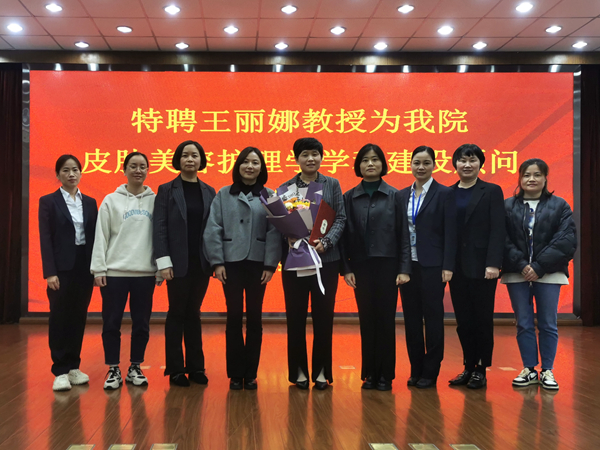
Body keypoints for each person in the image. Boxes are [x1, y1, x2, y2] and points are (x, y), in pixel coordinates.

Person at [204, 147, 281, 390]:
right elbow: (213, 228)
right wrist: (217, 262)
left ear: (262, 168)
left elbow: (275, 232)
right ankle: (236, 373)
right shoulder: (223, 194)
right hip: (231, 264)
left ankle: (251, 373)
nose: (250, 166)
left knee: (255, 317)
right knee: (234, 316)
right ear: (238, 166)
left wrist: (270, 264)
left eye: (255, 162)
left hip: (259, 265)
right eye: (245, 162)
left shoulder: (270, 195)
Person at [502, 158, 576, 391]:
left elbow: (566, 240)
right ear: (520, 178)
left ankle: (547, 370)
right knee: (523, 323)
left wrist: (538, 266)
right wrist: (522, 264)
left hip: (549, 272)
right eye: (526, 175)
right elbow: (502, 239)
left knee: (548, 323)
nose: (531, 179)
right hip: (517, 272)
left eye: (537, 175)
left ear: (545, 178)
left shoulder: (560, 205)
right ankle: (529, 369)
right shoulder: (507, 206)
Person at [341, 143, 411, 391]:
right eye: (365, 160)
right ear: (358, 166)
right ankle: (369, 373)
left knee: (385, 320)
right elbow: (343, 236)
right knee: (367, 320)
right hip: (360, 267)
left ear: (383, 164)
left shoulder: (395, 196)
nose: (370, 164)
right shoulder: (349, 197)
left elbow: (404, 234)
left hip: (388, 266)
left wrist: (404, 268)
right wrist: (346, 268)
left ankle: (386, 375)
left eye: (375, 159)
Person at [280, 137, 346, 390]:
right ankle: (298, 371)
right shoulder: (285, 188)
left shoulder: (332, 184)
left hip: (325, 261)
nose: (310, 159)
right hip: (296, 261)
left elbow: (340, 218)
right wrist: (289, 236)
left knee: (323, 317)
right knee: (295, 318)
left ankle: (321, 372)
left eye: (315, 154)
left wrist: (326, 242)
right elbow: (280, 223)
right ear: (296, 158)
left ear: (321, 157)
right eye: (305, 154)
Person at [91, 152, 157, 390]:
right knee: (111, 323)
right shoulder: (111, 200)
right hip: (114, 274)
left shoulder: (156, 201)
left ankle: (135, 367)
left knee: (142, 324)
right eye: (133, 166)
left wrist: (160, 268)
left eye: (142, 166)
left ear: (148, 170)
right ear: (124, 170)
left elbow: (160, 237)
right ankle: (113, 369)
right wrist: (99, 269)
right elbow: (101, 235)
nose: (138, 170)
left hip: (145, 274)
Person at [153, 140, 216, 387]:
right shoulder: (167, 190)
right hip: (176, 264)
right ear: (178, 160)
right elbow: (159, 227)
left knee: (194, 313)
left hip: (201, 263)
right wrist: (163, 262)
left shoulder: (209, 191)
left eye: (195, 155)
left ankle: (196, 367)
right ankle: (176, 369)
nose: (190, 159)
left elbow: (213, 228)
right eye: (185, 155)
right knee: (176, 313)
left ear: (201, 160)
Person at [447, 144, 506, 389]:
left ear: (480, 164)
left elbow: (498, 229)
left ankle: (481, 368)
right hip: (456, 267)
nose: (467, 165)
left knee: (482, 318)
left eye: (472, 160)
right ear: (455, 164)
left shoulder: (491, 191)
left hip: (483, 267)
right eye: (462, 160)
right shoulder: (448, 193)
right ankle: (468, 366)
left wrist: (493, 263)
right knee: (463, 321)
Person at [398, 145, 456, 389]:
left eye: (426, 163)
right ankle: (416, 369)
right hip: (407, 265)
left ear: (434, 165)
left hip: (433, 265)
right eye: (416, 163)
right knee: (411, 320)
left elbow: (451, 232)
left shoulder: (445, 193)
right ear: (410, 165)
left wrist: (448, 265)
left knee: (433, 319)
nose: (420, 167)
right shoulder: (401, 195)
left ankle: (431, 371)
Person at [39, 154, 98, 391]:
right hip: (61, 269)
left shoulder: (91, 202)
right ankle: (60, 370)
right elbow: (45, 238)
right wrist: (50, 272)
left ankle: (74, 366)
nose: (71, 174)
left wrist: (97, 267)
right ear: (58, 175)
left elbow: (95, 237)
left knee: (78, 316)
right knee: (59, 316)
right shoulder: (48, 201)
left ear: (81, 173)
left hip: (85, 267)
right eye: (65, 170)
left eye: (75, 170)